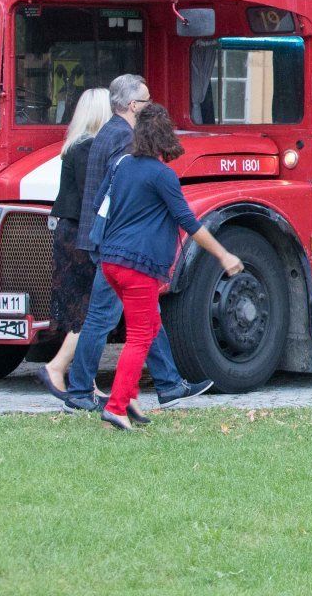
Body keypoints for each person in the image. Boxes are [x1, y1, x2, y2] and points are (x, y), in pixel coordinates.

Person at [92, 105, 245, 429]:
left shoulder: (122, 166)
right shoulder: (162, 175)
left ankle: (129, 398)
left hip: (111, 263)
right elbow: (189, 221)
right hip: (139, 265)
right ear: (164, 135)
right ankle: (116, 407)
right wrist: (224, 255)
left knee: (145, 330)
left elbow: (100, 206)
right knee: (140, 336)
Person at [62, 74, 206, 411]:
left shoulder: (109, 132)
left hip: (108, 244)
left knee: (145, 318)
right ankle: (80, 391)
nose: (151, 105)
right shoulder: (124, 138)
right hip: (121, 249)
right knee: (104, 320)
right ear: (132, 105)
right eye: (146, 100)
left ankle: (169, 384)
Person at [38, 87, 112, 398]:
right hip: (81, 234)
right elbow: (92, 198)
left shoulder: (74, 147)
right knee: (90, 309)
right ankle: (58, 367)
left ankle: (86, 378)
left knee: (86, 309)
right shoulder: (88, 150)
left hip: (69, 231)